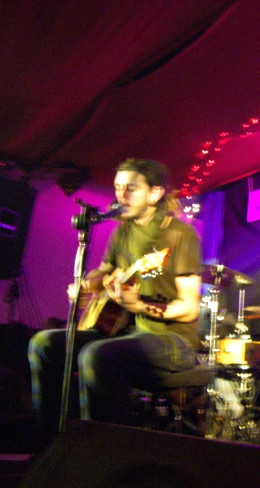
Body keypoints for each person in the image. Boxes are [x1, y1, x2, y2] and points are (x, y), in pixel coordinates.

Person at [28, 158, 204, 444]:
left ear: (155, 193)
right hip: (121, 331)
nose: (121, 196)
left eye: (131, 188)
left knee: (96, 355)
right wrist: (87, 285)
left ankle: (109, 451)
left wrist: (138, 306)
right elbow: (104, 270)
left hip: (172, 339)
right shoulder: (122, 231)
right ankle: (53, 444)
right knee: (44, 344)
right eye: (118, 188)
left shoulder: (179, 234)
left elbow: (188, 308)